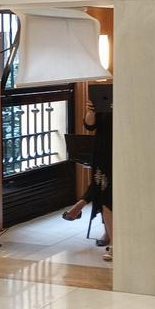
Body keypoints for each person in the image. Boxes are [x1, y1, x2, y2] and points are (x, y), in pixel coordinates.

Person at [62, 99, 114, 261]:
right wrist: (91, 111)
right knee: (106, 196)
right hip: (104, 153)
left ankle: (111, 237)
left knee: (112, 195)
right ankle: (114, 245)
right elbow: (90, 126)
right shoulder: (105, 101)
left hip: (126, 149)